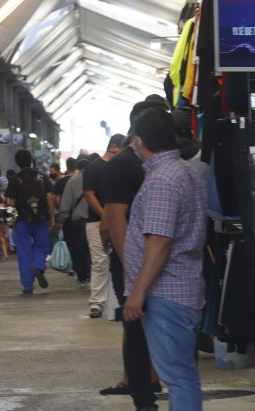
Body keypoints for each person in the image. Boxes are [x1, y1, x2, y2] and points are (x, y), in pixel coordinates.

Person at [123, 108, 207, 411]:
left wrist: (138, 291)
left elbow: (160, 241)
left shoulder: (162, 180)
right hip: (182, 288)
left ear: (139, 141)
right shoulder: (186, 171)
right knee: (183, 374)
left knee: (179, 377)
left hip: (166, 294)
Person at [101, 101, 169, 405]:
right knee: (136, 324)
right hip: (136, 261)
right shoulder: (124, 165)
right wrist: (133, 270)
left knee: (146, 325)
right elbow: (114, 220)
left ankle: (148, 379)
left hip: (155, 261)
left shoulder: (157, 164)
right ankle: (141, 388)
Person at [83, 135, 126, 318]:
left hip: (118, 221)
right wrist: (105, 215)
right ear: (114, 147)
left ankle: (115, 301)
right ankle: (97, 303)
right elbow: (89, 194)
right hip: (96, 222)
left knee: (119, 260)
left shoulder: (120, 167)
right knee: (100, 262)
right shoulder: (94, 167)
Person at [5, 150, 57, 294]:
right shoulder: (42, 177)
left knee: (23, 252)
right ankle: (38, 266)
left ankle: (28, 285)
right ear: (31, 160)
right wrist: (52, 216)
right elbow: (50, 198)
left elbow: (11, 202)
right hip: (41, 219)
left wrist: (11, 220)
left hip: (22, 220)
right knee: (41, 247)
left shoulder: (15, 179)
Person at [58, 159, 92, 287]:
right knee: (92, 250)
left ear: (78, 168)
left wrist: (61, 219)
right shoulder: (97, 178)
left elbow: (65, 203)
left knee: (78, 250)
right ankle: (91, 275)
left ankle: (82, 277)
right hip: (94, 221)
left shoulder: (72, 181)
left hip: (77, 223)